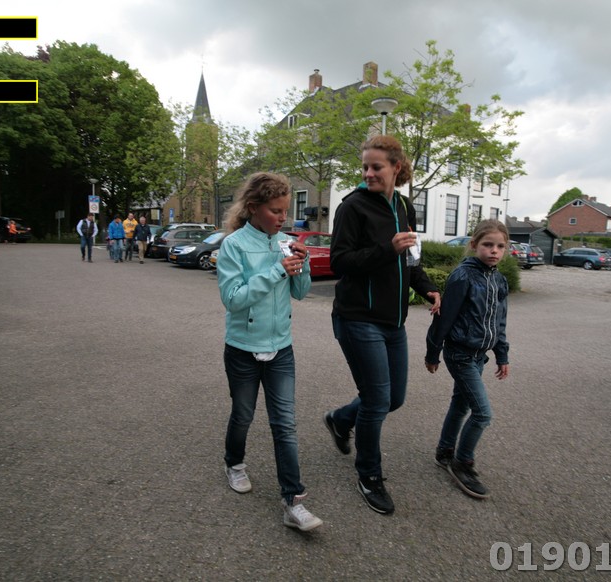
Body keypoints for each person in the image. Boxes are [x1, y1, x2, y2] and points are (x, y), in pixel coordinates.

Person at [323, 135, 441, 515]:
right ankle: (369, 475)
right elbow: (339, 262)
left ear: (396, 168)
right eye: (365, 167)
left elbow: (411, 259)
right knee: (376, 401)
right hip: (357, 318)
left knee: (394, 399)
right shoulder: (352, 207)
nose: (368, 173)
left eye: (376, 167)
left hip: (393, 321)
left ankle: (341, 419)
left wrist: (428, 288)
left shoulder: (405, 206)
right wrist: (385, 249)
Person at [216, 172, 322, 532]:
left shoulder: (286, 243)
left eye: (285, 211)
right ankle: (234, 463)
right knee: (243, 415)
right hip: (242, 349)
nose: (283, 217)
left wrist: (302, 264)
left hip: (281, 349)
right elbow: (233, 300)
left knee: (285, 424)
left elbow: (301, 293)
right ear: (253, 208)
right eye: (275, 211)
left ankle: (293, 501)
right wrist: (276, 271)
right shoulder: (233, 245)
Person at [425, 219, 511, 500]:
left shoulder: (499, 280)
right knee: (482, 413)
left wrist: (501, 355)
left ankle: (445, 451)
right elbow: (444, 317)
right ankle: (462, 462)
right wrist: (433, 352)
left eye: (500, 246)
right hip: (460, 353)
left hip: (479, 356)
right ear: (474, 245)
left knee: (460, 405)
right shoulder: (463, 276)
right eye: (488, 245)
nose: (494, 251)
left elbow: (499, 322)